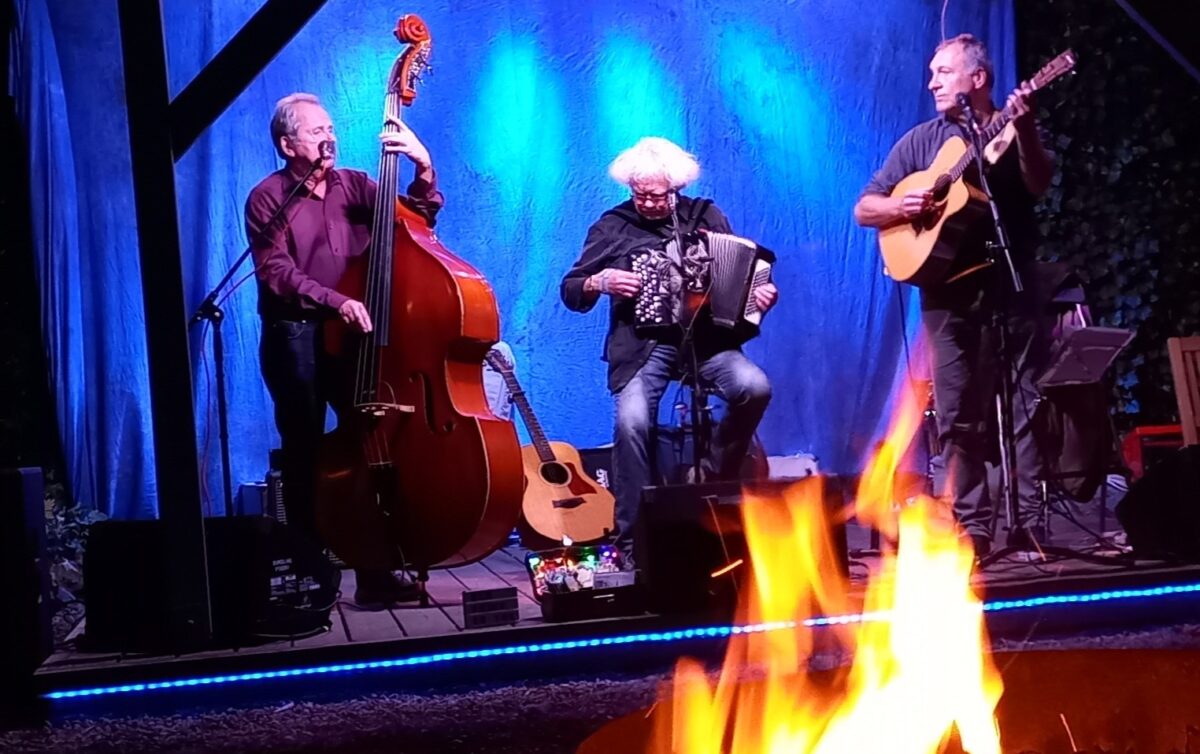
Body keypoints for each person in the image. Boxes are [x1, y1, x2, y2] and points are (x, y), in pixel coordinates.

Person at [853, 34, 1057, 558]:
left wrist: (1025, 128)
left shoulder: (1010, 127)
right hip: (946, 294)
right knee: (957, 413)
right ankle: (972, 527)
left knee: (1025, 403)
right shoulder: (921, 141)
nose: (932, 83)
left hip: (1010, 282)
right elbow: (865, 207)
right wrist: (901, 208)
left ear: (978, 79)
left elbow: (1038, 182)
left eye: (943, 72)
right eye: (932, 73)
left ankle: (1030, 523)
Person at [245, 92, 443, 605]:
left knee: (368, 445)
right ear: (287, 145)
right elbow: (276, 272)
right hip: (297, 336)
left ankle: (375, 572)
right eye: (316, 132)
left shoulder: (355, 185)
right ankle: (311, 576)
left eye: (330, 128)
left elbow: (416, 223)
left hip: (355, 336)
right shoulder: (267, 198)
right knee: (305, 453)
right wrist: (337, 301)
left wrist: (422, 166)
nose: (329, 138)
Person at [560, 137, 778, 566]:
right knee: (632, 422)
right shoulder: (613, 226)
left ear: (676, 188)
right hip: (646, 347)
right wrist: (600, 281)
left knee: (755, 388)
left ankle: (709, 478)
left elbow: (743, 275)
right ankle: (633, 539)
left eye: (657, 195)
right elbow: (571, 289)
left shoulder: (706, 216)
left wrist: (761, 295)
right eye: (639, 194)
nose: (648, 203)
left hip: (708, 343)